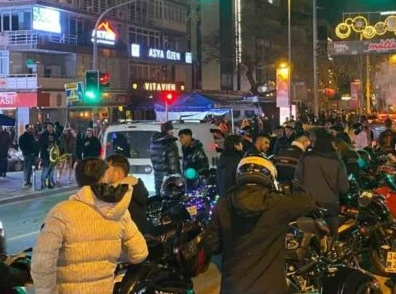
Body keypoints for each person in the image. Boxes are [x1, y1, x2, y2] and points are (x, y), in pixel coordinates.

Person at [201, 155, 316, 294]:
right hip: (271, 287)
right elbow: (308, 202)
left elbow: (211, 246)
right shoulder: (279, 203)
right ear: (270, 176)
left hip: (233, 286)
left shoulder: (223, 204)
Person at [31, 157, 148, 293]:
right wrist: (112, 254)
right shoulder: (119, 212)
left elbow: (42, 262)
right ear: (103, 178)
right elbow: (140, 253)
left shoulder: (61, 213)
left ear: (78, 180)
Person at [294, 130, 349, 239]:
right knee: (332, 241)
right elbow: (344, 188)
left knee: (306, 240)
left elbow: (297, 181)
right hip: (330, 208)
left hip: (308, 205)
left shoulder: (305, 158)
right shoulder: (337, 161)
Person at [105, 154, 154, 236]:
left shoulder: (123, 197)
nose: (102, 174)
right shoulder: (133, 191)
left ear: (117, 174)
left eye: (106, 170)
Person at [149, 121, 181, 194]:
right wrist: (177, 176)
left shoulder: (154, 142)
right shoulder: (169, 142)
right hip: (168, 179)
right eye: (171, 130)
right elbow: (173, 162)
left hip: (157, 176)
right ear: (168, 130)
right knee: (170, 200)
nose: (173, 132)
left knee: (159, 198)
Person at [39, 123, 59, 189]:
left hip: (53, 155)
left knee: (52, 170)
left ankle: (50, 183)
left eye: (51, 127)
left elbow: (57, 144)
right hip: (45, 155)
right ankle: (43, 183)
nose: (50, 128)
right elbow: (40, 145)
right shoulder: (43, 135)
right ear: (47, 128)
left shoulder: (55, 135)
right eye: (48, 127)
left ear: (53, 128)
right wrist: (46, 148)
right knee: (45, 169)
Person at [19, 124, 38, 188]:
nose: (31, 129)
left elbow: (35, 145)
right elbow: (21, 146)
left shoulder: (32, 136)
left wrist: (36, 153)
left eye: (32, 128)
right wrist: (26, 152)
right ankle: (26, 182)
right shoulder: (23, 136)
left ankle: (28, 181)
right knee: (27, 168)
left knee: (31, 169)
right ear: (26, 128)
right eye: (30, 128)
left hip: (33, 154)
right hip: (27, 155)